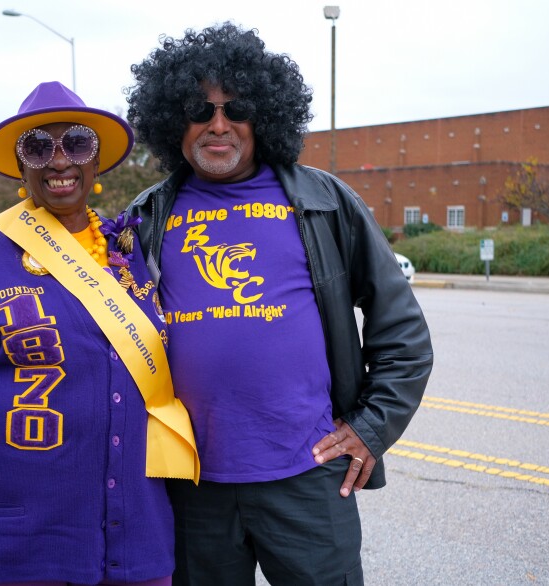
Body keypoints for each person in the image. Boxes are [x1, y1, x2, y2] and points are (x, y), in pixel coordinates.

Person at [124, 23, 434, 585]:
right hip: (192, 486)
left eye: (235, 107)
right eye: (200, 108)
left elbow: (403, 331)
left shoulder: (324, 201)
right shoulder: (146, 216)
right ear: (174, 121)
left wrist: (370, 428)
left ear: (262, 114)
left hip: (309, 478)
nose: (218, 124)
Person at [0, 81, 199, 586]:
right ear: (20, 165)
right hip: (15, 533)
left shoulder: (130, 250)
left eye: (76, 143)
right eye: (37, 147)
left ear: (97, 164)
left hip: (132, 523)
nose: (59, 161)